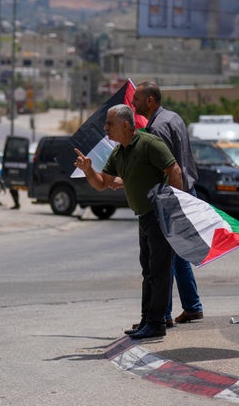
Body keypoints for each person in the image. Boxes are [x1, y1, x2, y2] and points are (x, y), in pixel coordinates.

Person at [74, 104, 183, 340]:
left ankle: (157, 323)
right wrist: (88, 170)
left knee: (159, 271)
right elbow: (103, 183)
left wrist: (174, 209)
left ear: (125, 124)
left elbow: (174, 169)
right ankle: (147, 320)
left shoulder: (148, 144)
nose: (105, 129)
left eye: (109, 124)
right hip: (144, 216)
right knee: (148, 270)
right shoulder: (119, 152)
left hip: (160, 214)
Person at [131, 81, 203, 329]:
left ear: (150, 101)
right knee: (179, 252)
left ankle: (163, 314)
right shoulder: (174, 118)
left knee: (163, 258)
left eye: (137, 99)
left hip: (170, 195)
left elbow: (164, 168)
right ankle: (192, 307)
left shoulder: (157, 129)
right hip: (185, 190)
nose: (133, 103)